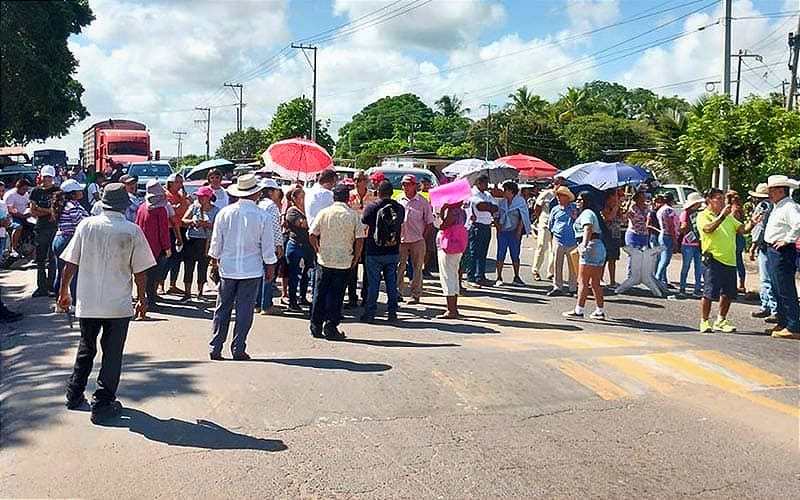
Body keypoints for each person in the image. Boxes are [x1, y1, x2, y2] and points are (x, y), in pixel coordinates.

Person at [58, 183, 155, 423]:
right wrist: (143, 300)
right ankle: (102, 404)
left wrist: (63, 292)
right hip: (118, 305)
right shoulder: (131, 231)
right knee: (112, 354)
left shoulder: (86, 225)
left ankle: (74, 393)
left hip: (88, 302)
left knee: (86, 347)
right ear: (124, 205)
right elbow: (140, 272)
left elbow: (70, 263)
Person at [208, 174, 277, 360]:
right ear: (256, 194)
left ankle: (215, 346)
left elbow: (216, 244)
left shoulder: (225, 213)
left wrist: (214, 263)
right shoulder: (263, 216)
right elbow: (268, 247)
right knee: (244, 311)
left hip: (228, 268)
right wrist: (270, 266)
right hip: (251, 269)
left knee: (222, 308)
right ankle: (238, 348)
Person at [308, 183, 365, 340]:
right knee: (337, 295)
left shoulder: (324, 213)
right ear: (348, 198)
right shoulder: (353, 215)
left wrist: (318, 249)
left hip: (325, 259)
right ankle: (331, 326)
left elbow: (312, 234)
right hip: (344, 261)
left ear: (334, 197)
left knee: (320, 293)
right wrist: (356, 256)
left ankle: (315, 325)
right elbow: (360, 238)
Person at [697, 188, 753, 333]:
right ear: (709, 200)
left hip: (730, 260)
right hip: (713, 259)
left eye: (723, 198)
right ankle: (704, 321)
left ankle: (721, 320)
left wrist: (753, 222)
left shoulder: (729, 217)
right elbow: (708, 229)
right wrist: (722, 216)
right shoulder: (703, 215)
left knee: (728, 293)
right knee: (709, 293)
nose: (722, 201)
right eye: (718, 198)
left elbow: (742, 229)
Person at [360, 180, 405, 323]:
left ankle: (370, 313)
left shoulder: (372, 207)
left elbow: (364, 220)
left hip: (374, 250)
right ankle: (392, 312)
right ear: (392, 193)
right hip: (393, 249)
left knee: (374, 283)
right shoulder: (399, 208)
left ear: (378, 192)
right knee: (391, 282)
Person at [762, 175, 800, 339]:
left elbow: (798, 223)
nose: (769, 193)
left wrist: (787, 240)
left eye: (771, 190)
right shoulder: (779, 206)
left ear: (780, 190)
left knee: (785, 288)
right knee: (777, 287)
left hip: (782, 251)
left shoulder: (790, 207)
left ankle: (793, 325)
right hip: (773, 249)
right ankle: (784, 321)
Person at [563, 191, 607, 320]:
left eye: (580, 199)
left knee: (583, 280)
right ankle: (599, 310)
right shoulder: (590, 213)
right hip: (598, 246)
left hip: (590, 246)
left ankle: (579, 309)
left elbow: (588, 228)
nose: (577, 201)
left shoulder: (587, 213)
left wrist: (583, 245)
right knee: (595, 282)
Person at [135, 180, 172, 317]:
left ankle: (148, 297)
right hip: (156, 247)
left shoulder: (142, 207)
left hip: (142, 245)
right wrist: (167, 247)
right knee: (153, 275)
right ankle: (151, 300)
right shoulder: (160, 210)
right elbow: (163, 231)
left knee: (145, 274)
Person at [396, 174, 433, 304]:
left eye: (407, 184)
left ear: (414, 186)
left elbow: (429, 222)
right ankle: (398, 292)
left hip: (417, 239)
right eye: (403, 184)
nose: (405, 187)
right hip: (401, 239)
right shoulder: (399, 199)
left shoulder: (422, 201)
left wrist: (423, 237)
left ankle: (415, 294)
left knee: (417, 267)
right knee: (399, 266)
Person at [51, 179, 89, 300]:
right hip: (68, 240)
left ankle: (60, 299)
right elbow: (80, 222)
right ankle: (73, 302)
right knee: (72, 272)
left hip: (59, 239)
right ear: (72, 193)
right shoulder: (72, 206)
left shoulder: (67, 204)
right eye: (78, 190)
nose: (81, 192)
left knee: (61, 271)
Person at [346, 170, 378, 308]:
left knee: (368, 268)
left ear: (366, 181)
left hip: (368, 236)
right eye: (355, 180)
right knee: (351, 267)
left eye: (360, 179)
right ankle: (352, 297)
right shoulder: (349, 196)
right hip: (352, 236)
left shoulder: (373, 196)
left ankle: (366, 296)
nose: (357, 182)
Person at [181, 186, 219, 301]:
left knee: (202, 267)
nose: (199, 198)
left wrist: (207, 224)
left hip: (206, 241)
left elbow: (219, 227)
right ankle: (187, 293)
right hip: (192, 240)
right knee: (189, 267)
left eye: (202, 196)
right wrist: (192, 221)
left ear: (208, 197)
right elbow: (183, 220)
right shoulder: (194, 207)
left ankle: (200, 292)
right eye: (199, 196)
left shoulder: (216, 210)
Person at [747, 183, 777, 323]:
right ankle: (768, 306)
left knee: (766, 279)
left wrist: (753, 246)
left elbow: (759, 228)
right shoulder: (774, 206)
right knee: (769, 278)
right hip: (770, 244)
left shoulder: (763, 206)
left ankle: (770, 307)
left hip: (764, 245)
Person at [29, 166, 61, 297]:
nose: (46, 179)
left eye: (49, 177)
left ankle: (51, 286)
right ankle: (41, 286)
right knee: (40, 259)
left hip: (54, 227)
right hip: (41, 227)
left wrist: (41, 209)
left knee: (52, 258)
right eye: (45, 177)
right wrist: (48, 211)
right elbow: (33, 210)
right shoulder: (35, 192)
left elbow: (58, 210)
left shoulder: (57, 191)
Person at [255, 179, 284, 314]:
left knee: (260, 274)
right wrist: (278, 244)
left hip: (257, 243)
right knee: (268, 273)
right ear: (271, 191)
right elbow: (275, 227)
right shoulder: (271, 206)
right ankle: (266, 304)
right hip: (268, 243)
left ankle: (257, 303)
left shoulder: (259, 204)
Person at [495, 181, 531, 286]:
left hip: (514, 231)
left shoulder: (520, 201)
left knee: (515, 254)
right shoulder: (502, 202)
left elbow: (523, 217)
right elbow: (497, 214)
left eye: (505, 190)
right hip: (503, 232)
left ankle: (516, 276)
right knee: (500, 253)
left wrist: (519, 231)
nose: (504, 192)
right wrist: (497, 226)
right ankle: (499, 277)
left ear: (511, 191)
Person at [284, 187, 314, 312]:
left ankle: (302, 296)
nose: (303, 199)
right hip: (296, 245)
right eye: (301, 197)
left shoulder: (308, 210)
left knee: (306, 273)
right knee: (294, 274)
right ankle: (292, 300)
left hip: (308, 246)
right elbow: (302, 224)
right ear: (294, 199)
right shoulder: (292, 211)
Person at [436, 201, 467, 319]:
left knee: (447, 276)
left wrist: (442, 210)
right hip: (457, 246)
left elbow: (442, 225)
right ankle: (454, 307)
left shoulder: (452, 212)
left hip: (448, 247)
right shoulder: (462, 212)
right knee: (454, 276)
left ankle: (451, 309)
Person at [466, 175, 498, 287]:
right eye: (485, 183)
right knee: (473, 253)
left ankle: (480, 276)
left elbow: (495, 207)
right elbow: (480, 206)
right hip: (476, 226)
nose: (487, 185)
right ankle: (471, 277)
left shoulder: (487, 194)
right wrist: (489, 207)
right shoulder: (472, 193)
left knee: (483, 253)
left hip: (486, 225)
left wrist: (489, 207)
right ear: (478, 183)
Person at [547, 185, 578, 296]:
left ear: (567, 197)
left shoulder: (575, 208)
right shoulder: (555, 209)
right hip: (558, 239)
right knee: (557, 264)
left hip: (572, 240)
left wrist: (575, 217)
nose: (558, 198)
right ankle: (557, 286)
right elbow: (550, 224)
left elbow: (580, 223)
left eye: (561, 196)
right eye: (558, 196)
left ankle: (573, 288)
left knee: (573, 266)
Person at [532, 177, 562, 280]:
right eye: (559, 184)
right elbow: (537, 207)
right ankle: (535, 270)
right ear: (555, 184)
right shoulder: (547, 194)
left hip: (556, 226)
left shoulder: (563, 195)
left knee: (554, 250)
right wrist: (540, 218)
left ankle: (551, 272)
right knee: (542, 247)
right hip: (545, 223)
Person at [165, 173, 190, 295]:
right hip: (170, 229)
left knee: (177, 258)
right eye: (178, 182)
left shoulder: (180, 195)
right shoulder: (166, 195)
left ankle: (173, 284)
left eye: (181, 182)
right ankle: (160, 284)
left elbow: (186, 210)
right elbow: (175, 212)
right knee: (168, 258)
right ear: (171, 183)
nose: (180, 184)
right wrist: (184, 201)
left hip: (181, 228)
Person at [677, 192, 704, 297]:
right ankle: (684, 288)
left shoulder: (694, 213)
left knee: (696, 267)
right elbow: (682, 227)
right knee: (688, 266)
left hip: (693, 243)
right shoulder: (686, 214)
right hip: (689, 244)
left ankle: (694, 289)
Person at [4, 178, 32, 258]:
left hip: (24, 216)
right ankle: (14, 248)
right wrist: (22, 216)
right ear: (18, 187)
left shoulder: (26, 194)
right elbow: (10, 209)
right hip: (11, 217)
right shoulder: (10, 195)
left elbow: (29, 203)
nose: (25, 191)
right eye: (24, 189)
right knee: (18, 227)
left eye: (27, 189)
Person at [601, 189, 624, 287]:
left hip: (616, 236)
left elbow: (622, 220)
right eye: (613, 197)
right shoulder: (604, 208)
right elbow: (609, 217)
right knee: (604, 259)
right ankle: (600, 278)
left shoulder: (617, 209)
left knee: (613, 259)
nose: (615, 199)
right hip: (607, 236)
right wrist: (615, 207)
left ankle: (612, 281)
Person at [654, 192, 678, 287]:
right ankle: (657, 278)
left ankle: (660, 279)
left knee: (663, 258)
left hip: (662, 234)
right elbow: (671, 225)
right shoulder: (669, 210)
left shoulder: (661, 209)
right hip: (668, 235)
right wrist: (675, 239)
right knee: (665, 260)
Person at [726, 190, 747, 292]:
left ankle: (738, 285)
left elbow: (736, 226)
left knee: (734, 262)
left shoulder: (733, 210)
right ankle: (741, 284)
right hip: (739, 238)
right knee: (738, 262)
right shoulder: (739, 208)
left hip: (735, 238)